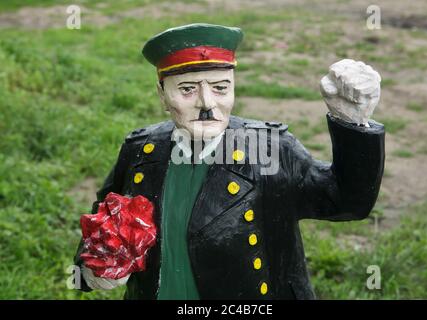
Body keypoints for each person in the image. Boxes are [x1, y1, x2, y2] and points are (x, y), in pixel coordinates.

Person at [74, 23, 385, 299]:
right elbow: (102, 222)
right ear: (162, 95)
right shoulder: (142, 150)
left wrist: (353, 123)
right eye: (187, 90)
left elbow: (346, 202)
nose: (207, 104)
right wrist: (93, 270)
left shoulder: (271, 150)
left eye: (221, 88)